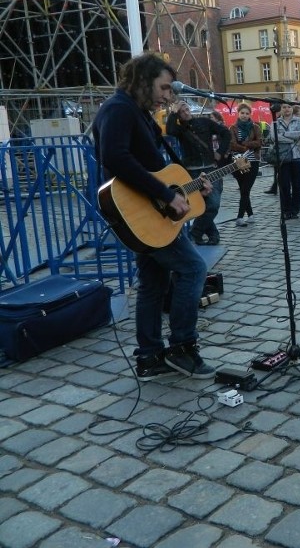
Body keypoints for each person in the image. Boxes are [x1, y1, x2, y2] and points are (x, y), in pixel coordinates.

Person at [92, 52, 215, 380]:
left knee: (153, 283)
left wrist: (188, 187)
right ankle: (182, 347)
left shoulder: (140, 114)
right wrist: (165, 195)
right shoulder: (118, 109)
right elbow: (115, 157)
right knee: (193, 268)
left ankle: (149, 357)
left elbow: (158, 168)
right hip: (142, 208)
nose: (167, 95)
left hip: (150, 213)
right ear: (143, 82)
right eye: (163, 88)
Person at [165, 100, 231, 245]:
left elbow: (226, 133)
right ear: (178, 115)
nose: (186, 112)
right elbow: (169, 130)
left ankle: (195, 232)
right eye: (181, 111)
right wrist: (173, 113)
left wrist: (220, 152)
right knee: (201, 205)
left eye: (186, 109)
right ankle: (213, 235)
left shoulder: (204, 122)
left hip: (210, 168)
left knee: (213, 204)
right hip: (192, 172)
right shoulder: (180, 129)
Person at [269, 102, 300, 220]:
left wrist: (284, 134)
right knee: (284, 184)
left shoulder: (298, 121)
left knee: (297, 184)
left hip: (297, 155)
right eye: (284, 107)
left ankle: (295, 210)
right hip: (283, 156)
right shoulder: (276, 122)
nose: (287, 109)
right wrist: (291, 139)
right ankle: (286, 210)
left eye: (289, 107)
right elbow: (274, 137)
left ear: (292, 109)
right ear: (281, 109)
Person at [229, 103, 262, 226]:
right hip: (238, 161)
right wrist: (246, 147)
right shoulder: (232, 128)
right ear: (238, 113)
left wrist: (245, 144)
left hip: (253, 160)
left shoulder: (256, 127)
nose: (244, 115)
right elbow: (232, 144)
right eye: (242, 113)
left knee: (245, 189)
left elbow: (259, 142)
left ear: (250, 115)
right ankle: (251, 215)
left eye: (247, 113)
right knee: (244, 189)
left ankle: (240, 217)